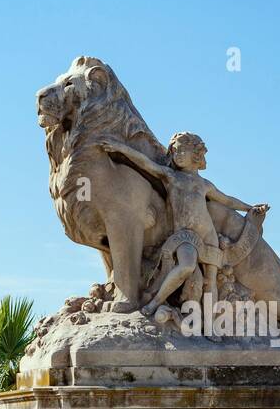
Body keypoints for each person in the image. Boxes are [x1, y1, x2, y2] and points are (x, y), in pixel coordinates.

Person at [98, 132, 268, 316]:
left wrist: (249, 207)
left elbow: (227, 200)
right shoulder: (171, 176)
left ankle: (210, 326)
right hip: (184, 236)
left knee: (210, 280)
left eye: (182, 151)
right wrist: (121, 148)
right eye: (174, 151)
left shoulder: (204, 184)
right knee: (186, 266)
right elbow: (145, 163)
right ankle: (154, 303)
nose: (177, 155)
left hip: (208, 236)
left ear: (195, 154)